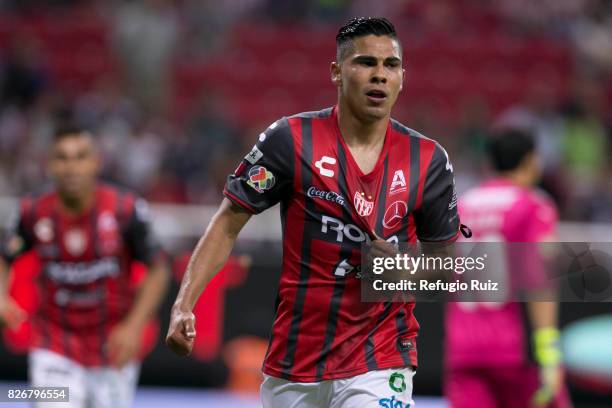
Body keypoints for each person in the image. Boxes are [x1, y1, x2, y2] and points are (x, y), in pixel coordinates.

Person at [166, 17, 460, 407]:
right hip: (294, 362)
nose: (379, 75)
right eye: (365, 63)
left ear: (403, 77)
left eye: (390, 66)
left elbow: (448, 268)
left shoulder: (428, 160)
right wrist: (183, 304)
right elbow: (227, 223)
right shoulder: (289, 140)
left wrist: (404, 267)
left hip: (380, 357)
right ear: (337, 72)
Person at [0, 126, 169, 408]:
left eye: (80, 157)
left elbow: (159, 268)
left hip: (112, 349)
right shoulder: (32, 211)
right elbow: (4, 256)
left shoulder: (125, 209)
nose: (71, 167)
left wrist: (134, 327)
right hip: (53, 347)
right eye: (62, 158)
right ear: (50, 164)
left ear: (96, 162)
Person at [444, 129, 571, 407]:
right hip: (516, 351)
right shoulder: (532, 205)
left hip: (463, 348)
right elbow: (540, 278)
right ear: (530, 161)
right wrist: (549, 351)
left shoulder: (461, 207)